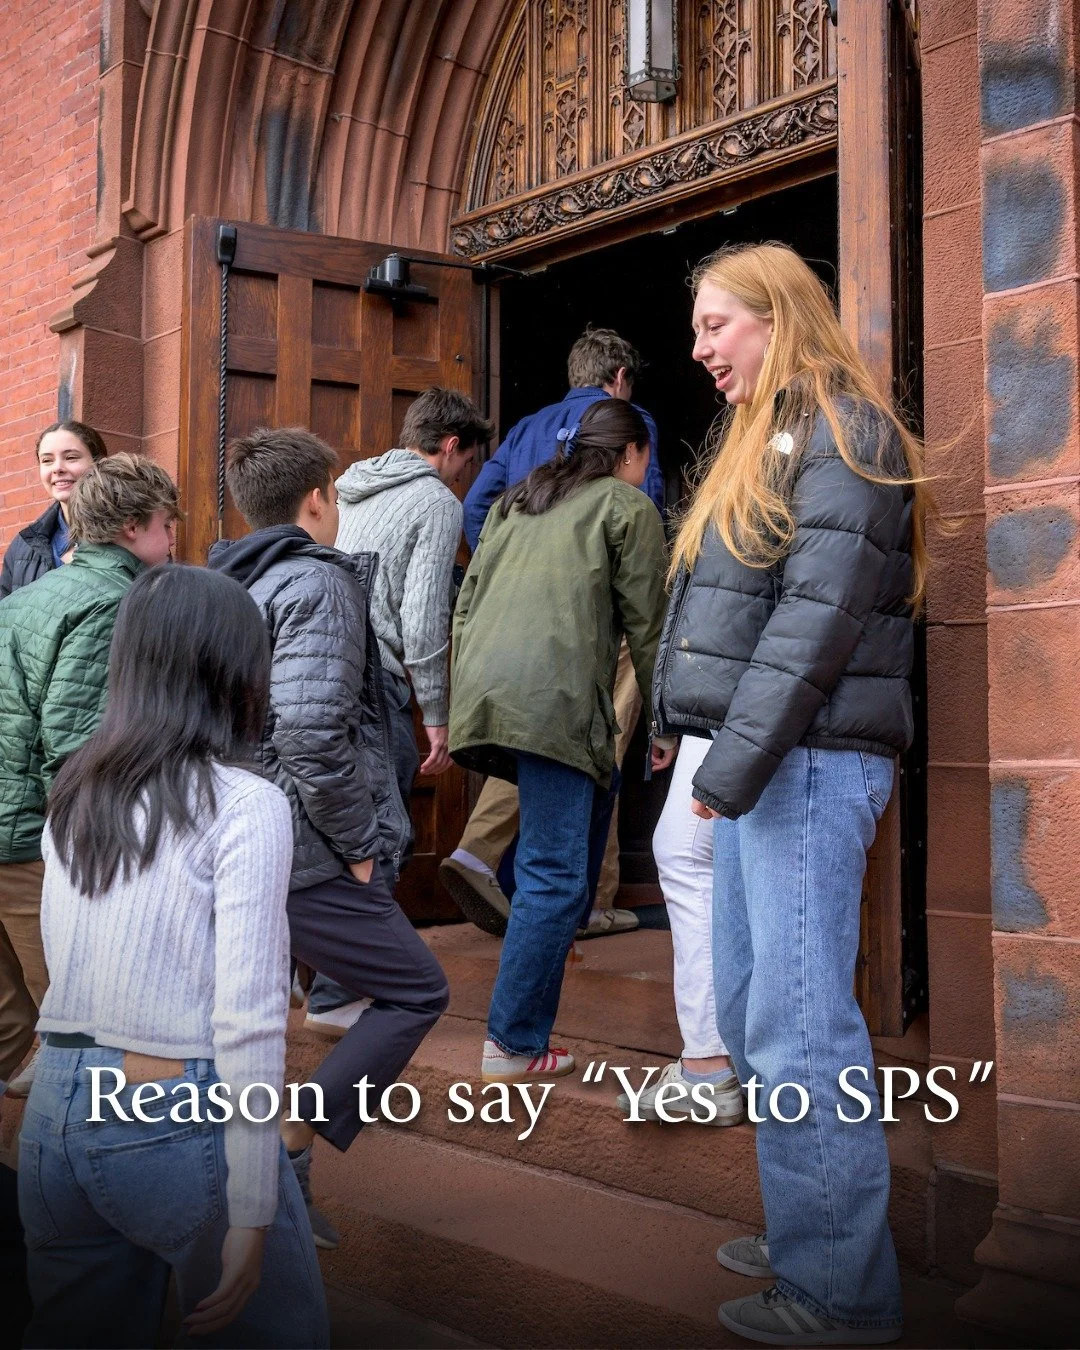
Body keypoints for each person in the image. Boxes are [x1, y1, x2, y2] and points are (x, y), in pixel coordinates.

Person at [654, 242, 928, 1345]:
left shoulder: (843, 430)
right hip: (770, 759)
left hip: (803, 763)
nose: (700, 349)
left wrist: (726, 770)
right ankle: (815, 1232)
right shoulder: (774, 432)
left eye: (717, 325)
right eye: (697, 330)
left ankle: (840, 1295)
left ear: (778, 316)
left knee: (803, 1024)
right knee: (761, 1011)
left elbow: (812, 623)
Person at [18, 565, 328, 1349]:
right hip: (174, 1103)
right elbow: (251, 1016)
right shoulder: (246, 802)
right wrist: (256, 1207)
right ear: (235, 670)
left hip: (55, 1103)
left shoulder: (73, 790)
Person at [209, 427, 449, 1251]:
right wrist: (356, 841)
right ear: (318, 499)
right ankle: (289, 1144)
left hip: (248, 833)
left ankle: (282, 1196)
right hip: (306, 844)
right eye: (336, 494)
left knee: (260, 1012)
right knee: (417, 991)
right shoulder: (316, 583)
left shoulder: (239, 580)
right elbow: (312, 732)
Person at [449, 399, 671, 1082]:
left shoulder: (518, 502)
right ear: (630, 454)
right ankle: (513, 1043)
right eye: (646, 458)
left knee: (554, 864)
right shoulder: (627, 509)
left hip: (488, 691)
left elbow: (468, 601)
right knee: (553, 877)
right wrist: (664, 721)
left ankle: (517, 1038)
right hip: (554, 701)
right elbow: (650, 627)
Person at [442, 327, 664, 939]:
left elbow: (478, 506)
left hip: (515, 623)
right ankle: (557, 886)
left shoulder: (525, 429)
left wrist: (515, 562)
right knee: (592, 749)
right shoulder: (628, 427)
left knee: (572, 748)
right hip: (596, 614)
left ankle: (591, 894)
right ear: (618, 379)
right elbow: (642, 520)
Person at [305, 389, 494, 1037]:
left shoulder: (349, 486)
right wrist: (437, 714)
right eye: (468, 462)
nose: (466, 475)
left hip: (321, 675)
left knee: (333, 832)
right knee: (384, 833)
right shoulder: (436, 502)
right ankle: (336, 993)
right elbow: (420, 617)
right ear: (450, 447)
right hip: (374, 682)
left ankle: (318, 984)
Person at [0, 453, 179, 1100]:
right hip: (28, 845)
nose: (171, 540)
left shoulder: (30, 595)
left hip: (10, 828)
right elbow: (75, 742)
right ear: (134, 527)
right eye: (167, 525)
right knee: (81, 1037)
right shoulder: (113, 601)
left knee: (16, 1042)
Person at [613, 733, 744, 1126]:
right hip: (721, 704)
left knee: (684, 853)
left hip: (733, 701)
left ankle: (709, 1067)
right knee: (707, 856)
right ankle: (721, 1059)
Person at [0, 419, 108, 598]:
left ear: (99, 464)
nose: (57, 468)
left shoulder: (129, 534)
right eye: (47, 460)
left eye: (71, 457)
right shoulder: (23, 546)